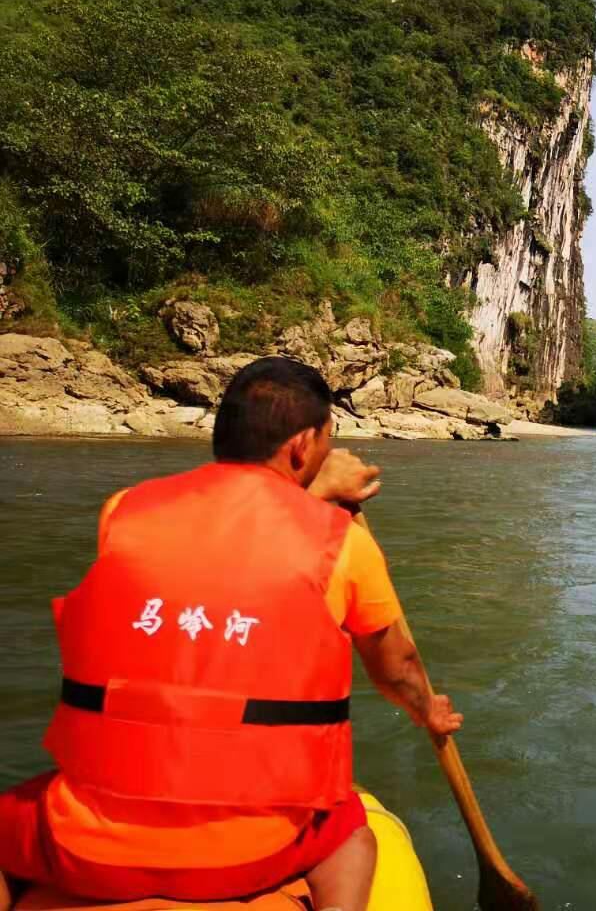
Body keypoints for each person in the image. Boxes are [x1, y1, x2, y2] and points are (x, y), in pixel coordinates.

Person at [0, 356, 462, 911]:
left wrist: (310, 489)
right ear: (302, 447)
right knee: (350, 831)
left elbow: (215, 542)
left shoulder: (123, 511)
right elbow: (398, 668)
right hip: (252, 853)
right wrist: (427, 711)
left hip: (86, 847)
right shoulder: (343, 544)